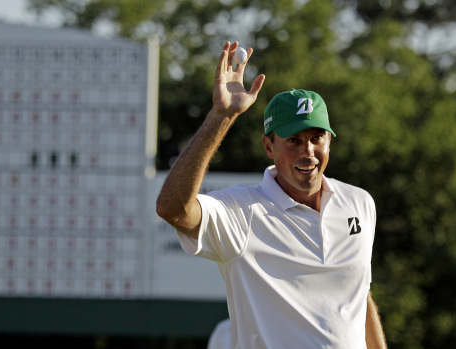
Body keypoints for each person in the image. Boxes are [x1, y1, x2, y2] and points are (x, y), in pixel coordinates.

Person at [156, 41, 387, 348]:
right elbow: (172, 209)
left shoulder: (360, 203)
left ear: (329, 140)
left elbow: (359, 296)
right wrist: (221, 117)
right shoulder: (241, 211)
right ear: (269, 146)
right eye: (293, 140)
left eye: (317, 138)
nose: (308, 152)